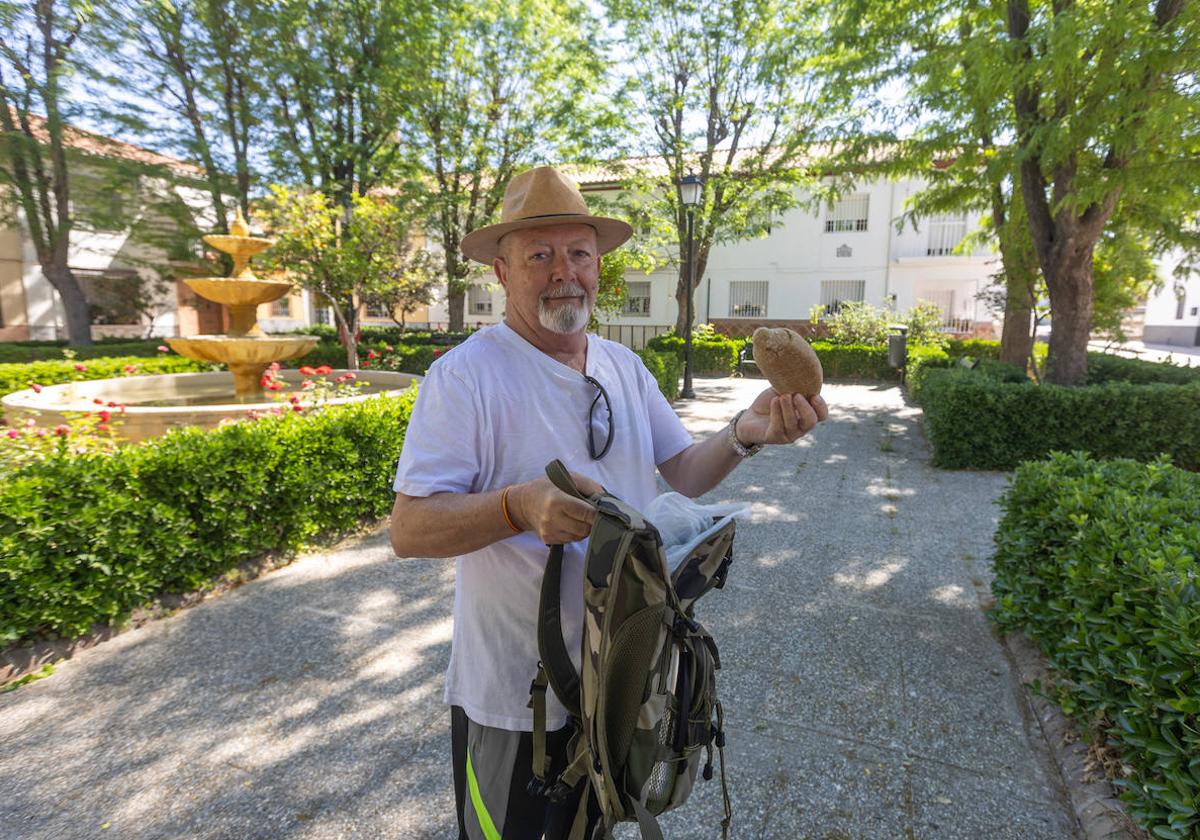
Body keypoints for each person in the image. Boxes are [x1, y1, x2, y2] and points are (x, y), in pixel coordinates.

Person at [389, 165, 828, 840]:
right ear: (502, 273)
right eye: (539, 255)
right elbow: (410, 528)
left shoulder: (622, 365)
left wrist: (748, 433)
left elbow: (679, 472)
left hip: (625, 684)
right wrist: (516, 507)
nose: (564, 271)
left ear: (599, 267)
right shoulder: (464, 378)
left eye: (579, 253)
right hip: (516, 701)